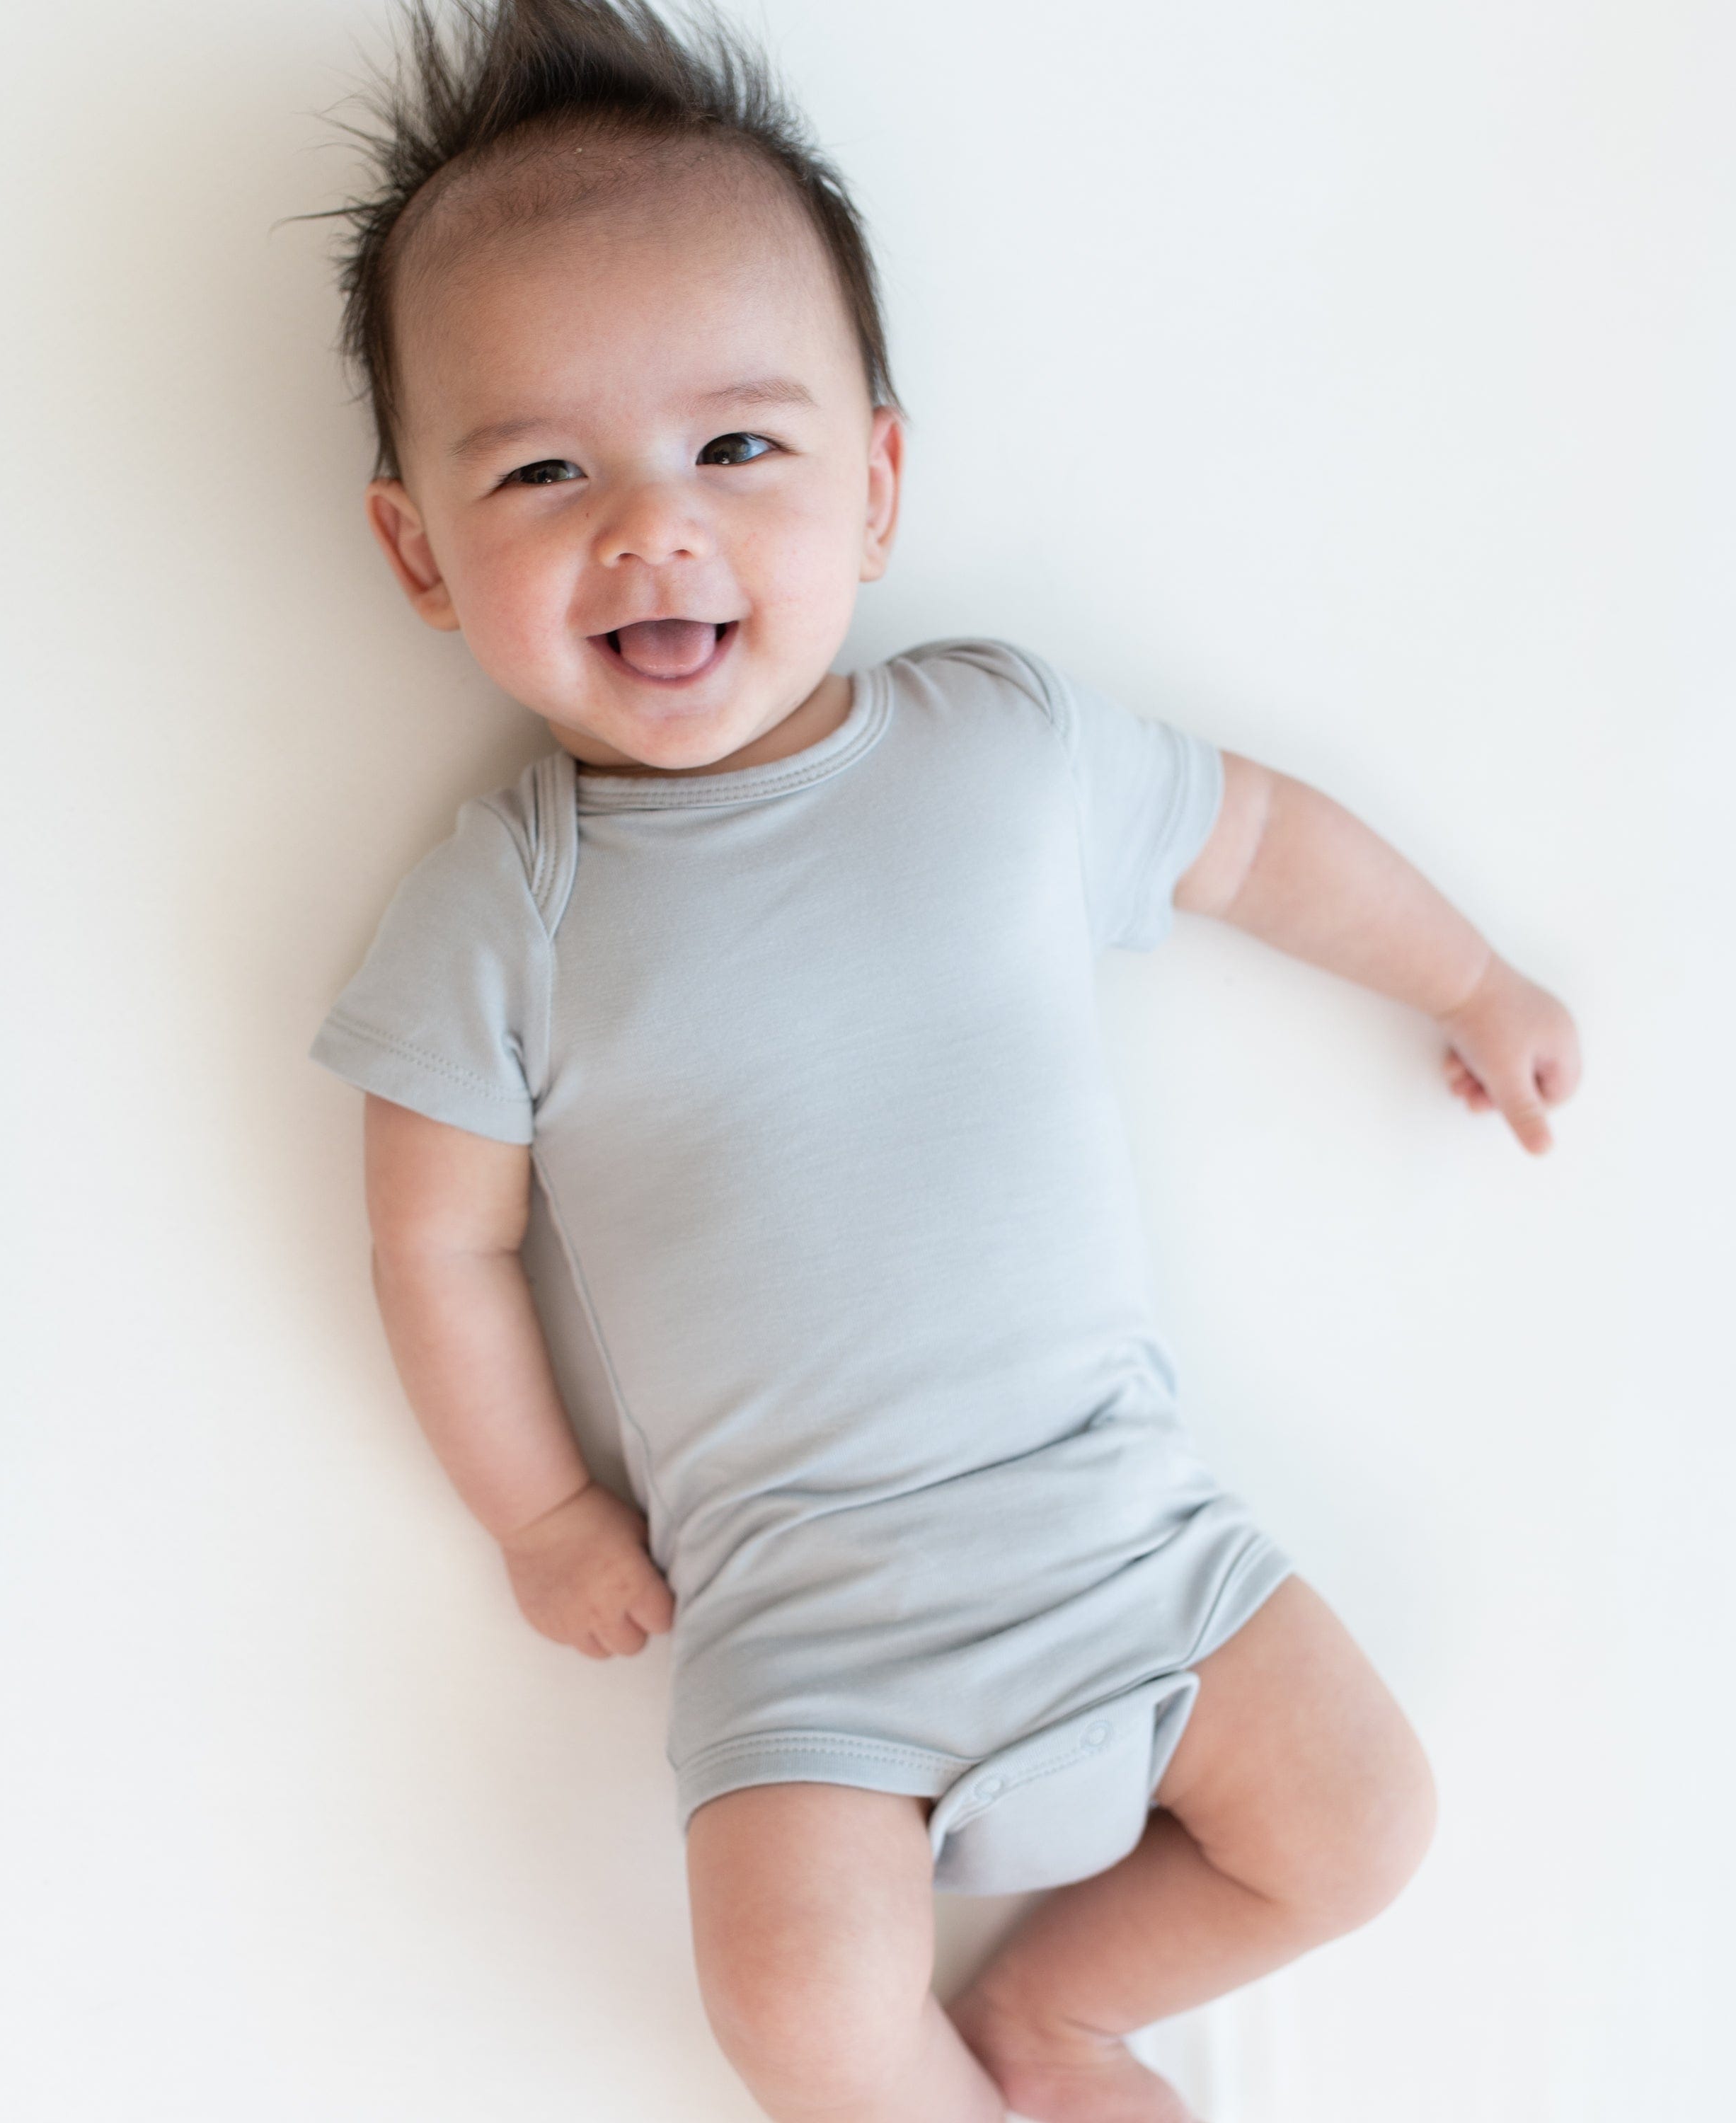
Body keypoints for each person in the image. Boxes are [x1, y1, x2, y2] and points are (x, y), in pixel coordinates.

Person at [304, 4, 1582, 2117]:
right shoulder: (505, 900)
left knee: (1364, 1822)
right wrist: (540, 1513)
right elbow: (434, 1243)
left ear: (878, 485)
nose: (654, 530)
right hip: (807, 1631)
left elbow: (1256, 841)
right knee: (798, 2008)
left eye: (739, 449)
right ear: (422, 550)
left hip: (1126, 1534)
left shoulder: (998, 749)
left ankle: (1054, 2019)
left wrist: (1468, 978)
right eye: (543, 473)